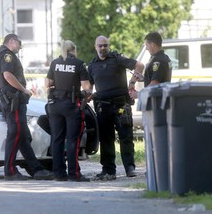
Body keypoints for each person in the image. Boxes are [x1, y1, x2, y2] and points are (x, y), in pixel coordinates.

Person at [0, 33, 54, 181]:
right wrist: (23, 89)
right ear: (12, 41)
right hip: (13, 100)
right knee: (15, 133)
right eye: (19, 44)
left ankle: (36, 170)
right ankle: (10, 171)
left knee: (23, 135)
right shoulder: (7, 55)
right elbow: (7, 75)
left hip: (10, 100)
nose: (20, 47)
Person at [87, 35, 144, 180]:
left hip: (120, 104)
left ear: (109, 46)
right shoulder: (92, 65)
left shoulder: (117, 59)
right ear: (95, 47)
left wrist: (132, 84)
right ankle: (108, 170)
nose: (103, 48)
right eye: (100, 45)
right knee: (106, 139)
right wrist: (87, 95)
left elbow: (139, 65)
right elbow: (89, 87)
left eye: (105, 45)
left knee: (126, 137)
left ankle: (129, 168)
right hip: (103, 106)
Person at [45, 40, 92, 182]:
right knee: (72, 139)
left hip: (55, 105)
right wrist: (89, 91)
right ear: (74, 50)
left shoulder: (55, 63)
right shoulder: (79, 64)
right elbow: (86, 87)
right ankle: (74, 174)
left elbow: (47, 83)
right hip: (71, 106)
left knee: (57, 139)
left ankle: (59, 173)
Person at [129, 31, 172, 99]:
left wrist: (139, 94)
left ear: (152, 44)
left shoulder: (159, 60)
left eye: (146, 45)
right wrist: (144, 78)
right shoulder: (163, 58)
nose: (146, 48)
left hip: (157, 102)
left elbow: (155, 84)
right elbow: (159, 78)